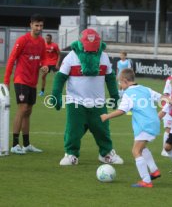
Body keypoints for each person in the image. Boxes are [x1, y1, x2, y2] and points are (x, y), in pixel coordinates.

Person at [51, 28, 123, 166]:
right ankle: (71, 154)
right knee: (74, 129)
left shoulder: (104, 56)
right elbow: (60, 77)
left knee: (102, 129)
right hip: (75, 100)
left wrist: (114, 95)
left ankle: (106, 153)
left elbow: (110, 77)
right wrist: (56, 95)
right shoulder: (71, 57)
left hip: (98, 102)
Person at [101, 68, 172, 188]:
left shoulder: (128, 94)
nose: (119, 85)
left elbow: (122, 110)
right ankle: (154, 171)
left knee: (135, 151)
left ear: (125, 80)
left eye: (120, 82)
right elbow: (163, 97)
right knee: (142, 148)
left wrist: (107, 116)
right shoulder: (145, 88)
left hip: (144, 125)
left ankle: (146, 180)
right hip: (154, 122)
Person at [3, 14, 49, 154]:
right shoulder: (22, 40)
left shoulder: (41, 42)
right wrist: (6, 81)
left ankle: (26, 144)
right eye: (36, 25)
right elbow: (11, 59)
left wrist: (45, 66)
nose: (38, 28)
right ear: (31, 25)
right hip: (21, 79)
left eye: (41, 26)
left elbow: (44, 59)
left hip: (32, 81)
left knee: (28, 111)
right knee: (22, 109)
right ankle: (15, 144)